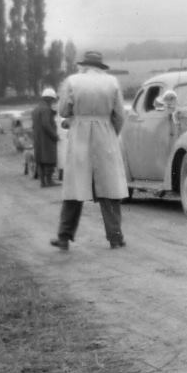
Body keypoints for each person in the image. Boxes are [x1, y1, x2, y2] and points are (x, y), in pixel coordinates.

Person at [50, 50, 129, 250]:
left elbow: (63, 111)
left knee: (75, 185)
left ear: (83, 65)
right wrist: (111, 132)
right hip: (105, 134)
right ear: (101, 67)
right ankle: (115, 237)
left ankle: (64, 236)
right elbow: (119, 114)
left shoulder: (73, 81)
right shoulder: (111, 82)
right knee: (109, 187)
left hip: (80, 135)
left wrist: (76, 119)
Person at [32, 87, 61, 187]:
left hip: (38, 139)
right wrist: (55, 135)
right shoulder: (46, 109)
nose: (53, 102)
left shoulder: (36, 109)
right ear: (49, 99)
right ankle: (49, 181)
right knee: (49, 160)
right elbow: (46, 124)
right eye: (52, 100)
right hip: (47, 140)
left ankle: (43, 182)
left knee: (40, 160)